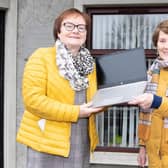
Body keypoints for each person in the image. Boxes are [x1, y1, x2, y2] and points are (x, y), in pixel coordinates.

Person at [16, 8, 104, 168]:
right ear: (58, 31)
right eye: (69, 26)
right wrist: (76, 112)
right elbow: (33, 101)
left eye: (81, 27)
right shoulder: (41, 56)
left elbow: (94, 99)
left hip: (80, 139)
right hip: (46, 141)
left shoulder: (90, 64)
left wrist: (108, 100)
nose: (75, 31)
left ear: (85, 34)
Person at [129, 19, 168, 168]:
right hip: (154, 154)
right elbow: (145, 113)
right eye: (163, 41)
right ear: (156, 44)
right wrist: (142, 146)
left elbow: (154, 102)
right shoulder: (152, 71)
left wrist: (156, 101)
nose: (166, 46)